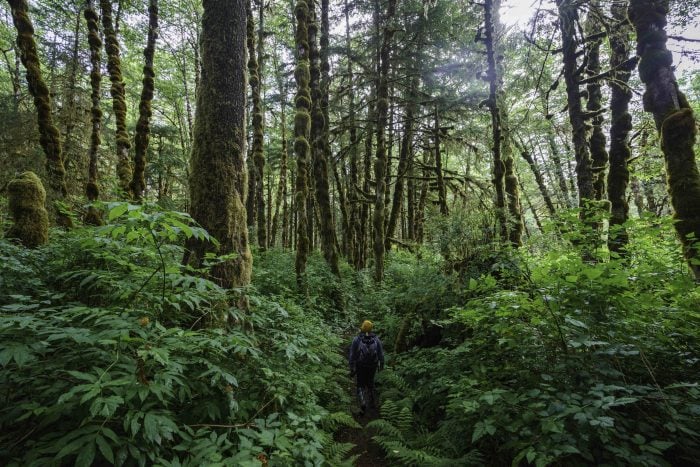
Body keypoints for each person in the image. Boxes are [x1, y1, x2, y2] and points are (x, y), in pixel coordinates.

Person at [348, 320, 384, 413]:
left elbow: (352, 354)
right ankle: (372, 403)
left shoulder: (357, 339)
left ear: (362, 328)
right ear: (371, 328)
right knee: (370, 382)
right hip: (373, 365)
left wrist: (352, 367)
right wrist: (381, 366)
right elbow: (381, 355)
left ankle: (363, 402)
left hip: (360, 364)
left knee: (360, 383)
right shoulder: (376, 339)